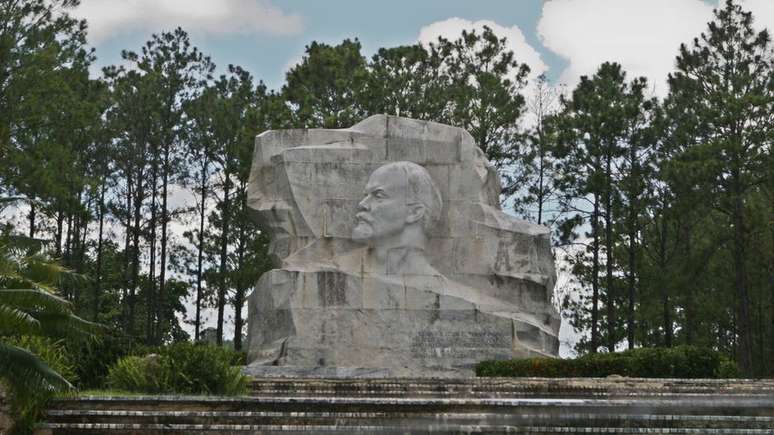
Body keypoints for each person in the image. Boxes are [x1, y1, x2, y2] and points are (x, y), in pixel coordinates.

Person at [350, 161, 443, 276]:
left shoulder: (446, 290)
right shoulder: (334, 272)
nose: (362, 204)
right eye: (366, 196)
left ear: (414, 212)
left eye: (378, 196)